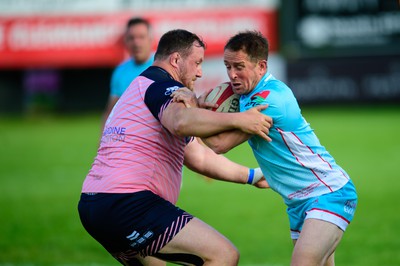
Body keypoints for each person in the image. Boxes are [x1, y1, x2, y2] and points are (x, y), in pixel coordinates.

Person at [78, 29, 273, 266]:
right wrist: (239, 119)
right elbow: (180, 122)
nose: (200, 72)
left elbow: (198, 156)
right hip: (128, 203)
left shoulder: (143, 88)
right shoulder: (160, 87)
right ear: (176, 60)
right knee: (222, 255)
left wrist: (253, 176)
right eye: (197, 63)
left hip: (94, 205)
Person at [200, 31, 358, 266]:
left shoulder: (270, 99)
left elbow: (219, 144)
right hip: (296, 201)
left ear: (261, 66)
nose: (232, 75)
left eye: (239, 66)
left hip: (328, 193)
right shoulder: (243, 91)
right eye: (227, 66)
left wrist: (189, 114)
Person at [102, 17, 154, 129]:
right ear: (126, 41)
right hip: (130, 137)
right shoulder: (120, 71)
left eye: (141, 37)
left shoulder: (163, 65)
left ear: (150, 39)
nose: (136, 42)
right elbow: (111, 111)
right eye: (132, 38)